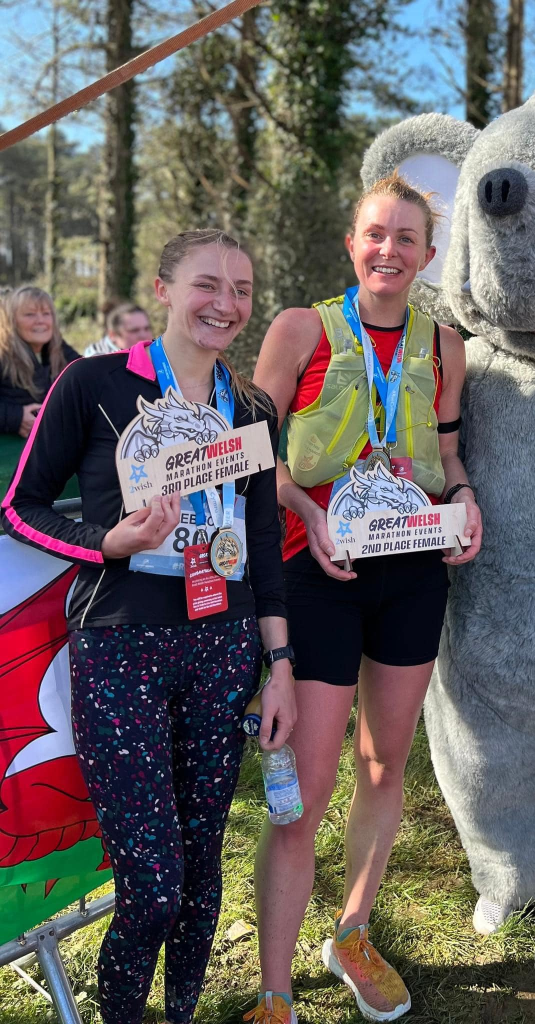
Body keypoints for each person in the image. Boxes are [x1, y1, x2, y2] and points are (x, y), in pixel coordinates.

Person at [0, 230, 296, 1024]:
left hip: (226, 649)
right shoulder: (91, 384)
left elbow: (264, 547)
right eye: (207, 285)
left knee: (202, 874)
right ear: (163, 289)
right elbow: (19, 505)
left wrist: (281, 666)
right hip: (122, 647)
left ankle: (181, 1013)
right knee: (155, 885)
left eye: (240, 289)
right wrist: (107, 543)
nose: (226, 304)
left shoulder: (251, 408)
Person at [247, 172, 482, 1024]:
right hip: (316, 570)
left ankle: (351, 932)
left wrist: (462, 498)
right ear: (352, 243)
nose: (390, 251)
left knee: (385, 762)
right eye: (375, 235)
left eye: (407, 240)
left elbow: (449, 455)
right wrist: (307, 510)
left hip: (412, 569)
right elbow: (249, 451)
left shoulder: (443, 345)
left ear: (426, 255)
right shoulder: (302, 328)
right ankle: (275, 992)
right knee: (304, 786)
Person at [0, 285, 80, 437]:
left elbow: (89, 378)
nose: (40, 321)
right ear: (11, 321)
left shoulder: (59, 349)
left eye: (46, 313)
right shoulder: (2, 353)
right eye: (30, 314)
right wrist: (15, 417)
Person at [83, 302, 153, 356]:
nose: (143, 335)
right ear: (112, 335)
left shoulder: (156, 349)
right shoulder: (97, 359)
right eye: (134, 331)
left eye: (147, 329)